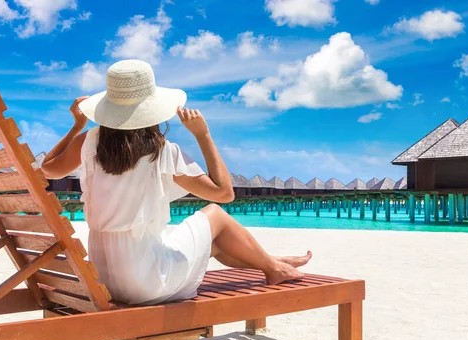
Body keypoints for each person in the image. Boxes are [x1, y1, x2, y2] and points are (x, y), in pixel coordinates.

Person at [41, 59, 311, 305]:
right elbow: (224, 194)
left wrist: (77, 125)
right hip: (147, 282)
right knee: (215, 216)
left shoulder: (88, 142)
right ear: (151, 109)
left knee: (214, 243)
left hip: (108, 279)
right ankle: (274, 267)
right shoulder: (161, 152)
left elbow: (48, 170)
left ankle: (271, 263)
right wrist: (203, 134)